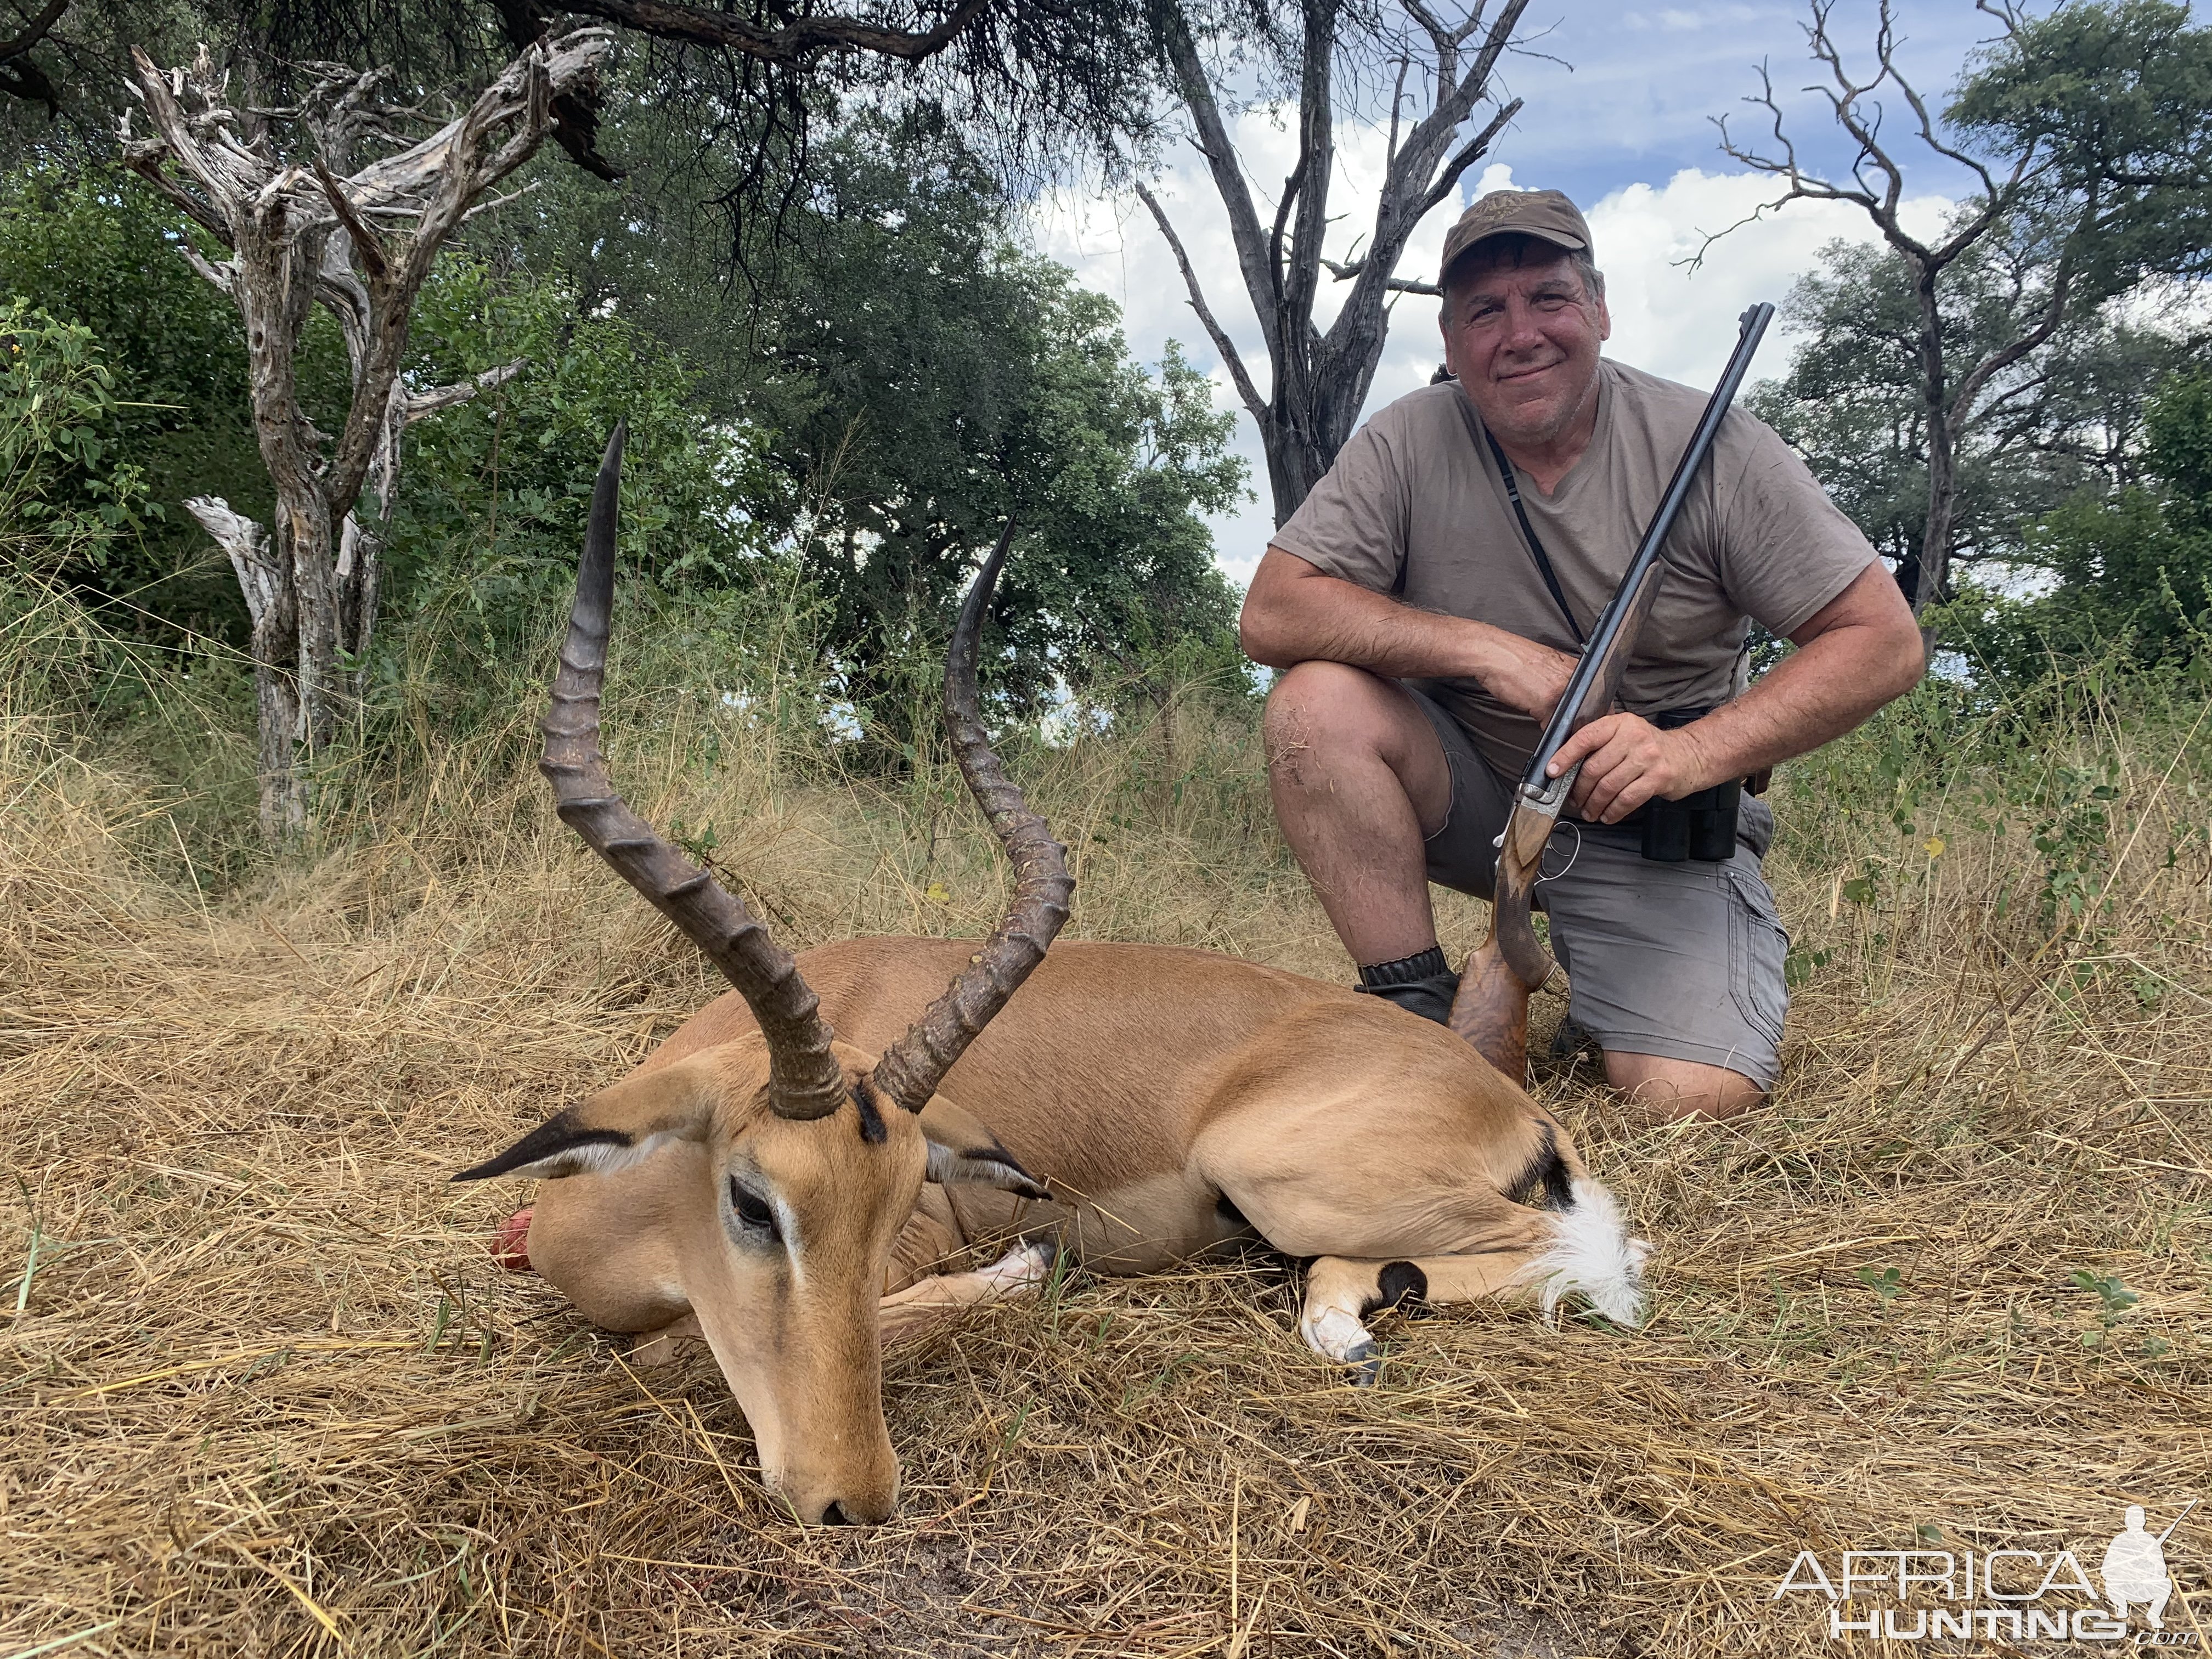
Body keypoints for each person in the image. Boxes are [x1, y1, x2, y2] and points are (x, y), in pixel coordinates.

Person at [1240, 188, 1926, 1121]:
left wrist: (1689, 752)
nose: (1519, 333)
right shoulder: (1407, 438)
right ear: (1450, 343)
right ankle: (1409, 1007)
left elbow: (1882, 642)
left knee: (1694, 1096)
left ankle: (1594, 980)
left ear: (1598, 311)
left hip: (1653, 823)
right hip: (1478, 795)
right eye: (1485, 310)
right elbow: (1272, 614)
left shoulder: (1714, 443)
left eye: (1548, 298)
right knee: (1314, 704)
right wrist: (1483, 651)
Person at [2100, 1506, 2172, 1629]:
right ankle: (2122, 1609)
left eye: (2138, 1518)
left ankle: (2154, 1614)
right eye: (2131, 1518)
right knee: (2111, 1584)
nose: (2135, 1521)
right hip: (2123, 1585)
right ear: (2126, 1521)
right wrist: (2124, 1569)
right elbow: (2106, 1570)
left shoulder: (2151, 1541)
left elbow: (2162, 1571)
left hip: (2145, 1586)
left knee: (2166, 1584)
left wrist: (2150, 1564)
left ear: (2144, 1521)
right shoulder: (2119, 1541)